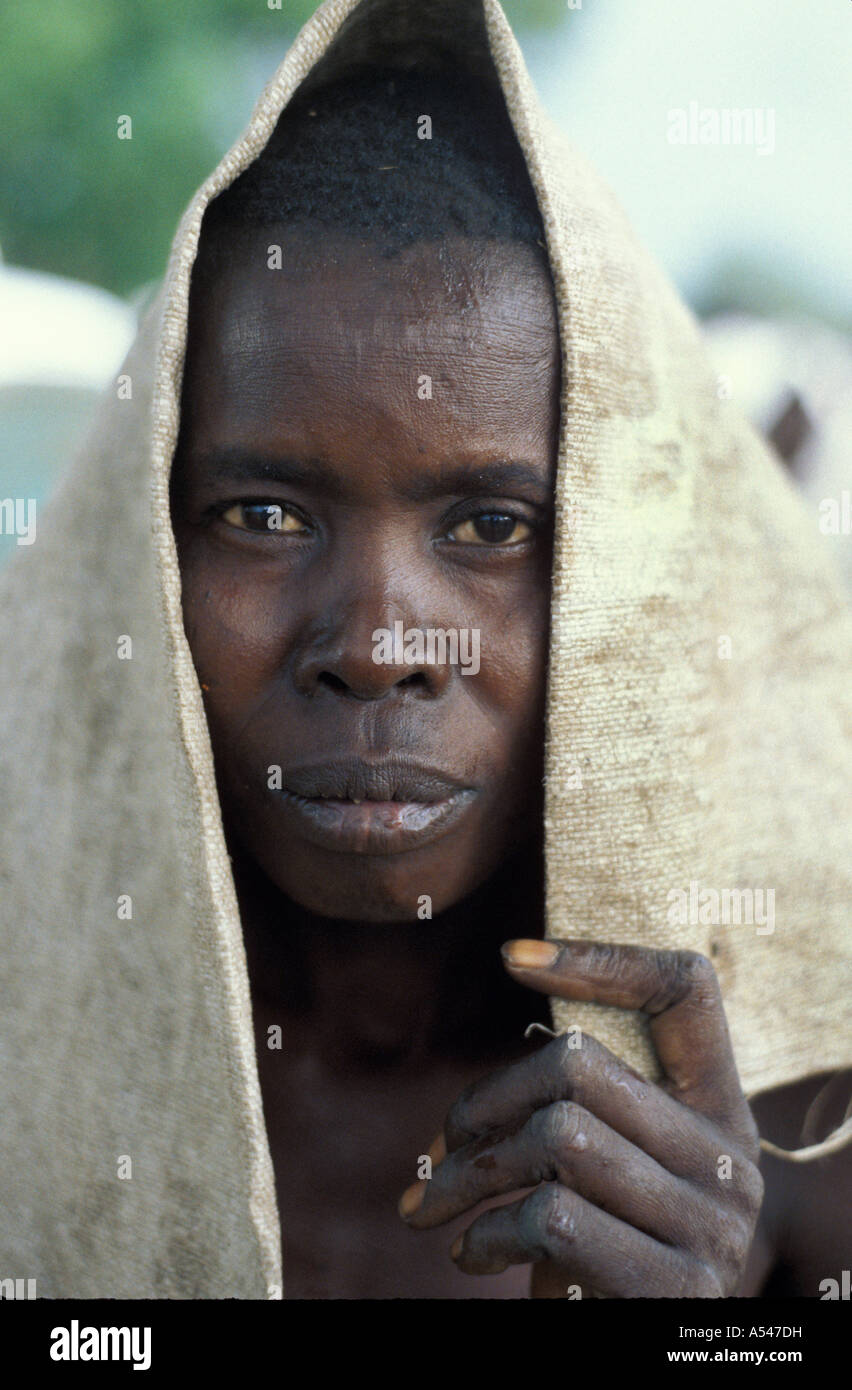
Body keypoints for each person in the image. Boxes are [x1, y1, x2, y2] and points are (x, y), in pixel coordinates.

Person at [1, 0, 849, 1300]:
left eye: (492, 523)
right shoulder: (29, 1023)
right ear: (143, 555)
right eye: (264, 515)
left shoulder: (790, 1108)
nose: (382, 645)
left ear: (636, 584)